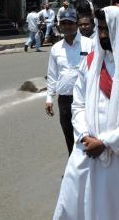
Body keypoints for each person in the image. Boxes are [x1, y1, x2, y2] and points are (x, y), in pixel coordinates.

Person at [53, 7, 119, 220]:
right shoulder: (90, 62)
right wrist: (83, 136)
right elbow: (77, 104)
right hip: (86, 148)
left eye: (108, 30)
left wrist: (105, 143)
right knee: (74, 203)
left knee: (111, 208)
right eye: (100, 29)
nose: (103, 35)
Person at [46, 10, 93, 156]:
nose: (67, 26)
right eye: (63, 23)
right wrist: (49, 98)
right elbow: (52, 75)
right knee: (69, 136)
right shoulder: (56, 48)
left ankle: (88, 168)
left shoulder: (89, 44)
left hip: (86, 99)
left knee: (86, 135)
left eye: (70, 23)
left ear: (76, 24)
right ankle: (74, 170)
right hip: (65, 100)